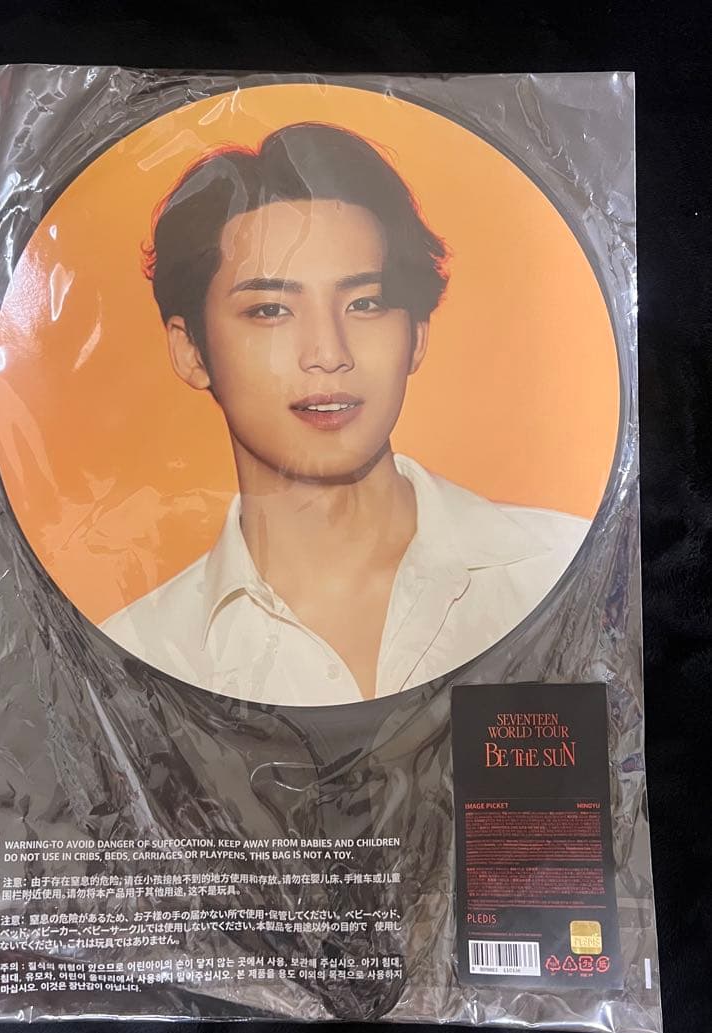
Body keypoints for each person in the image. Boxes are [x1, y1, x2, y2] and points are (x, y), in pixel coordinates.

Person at [101, 122, 590, 706]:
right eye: (270, 310)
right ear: (190, 351)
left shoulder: (570, 567)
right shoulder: (134, 656)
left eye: (365, 303)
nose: (329, 353)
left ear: (417, 335)